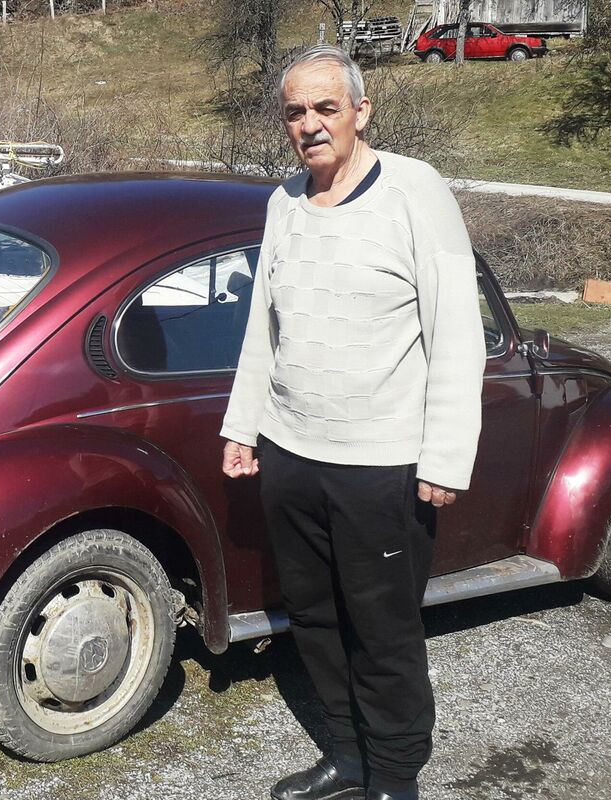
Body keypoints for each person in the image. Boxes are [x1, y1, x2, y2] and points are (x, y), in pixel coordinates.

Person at [220, 45, 485, 800]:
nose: (310, 124)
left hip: (382, 463)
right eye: (295, 112)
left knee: (383, 628)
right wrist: (244, 424)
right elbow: (264, 326)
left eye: (325, 108)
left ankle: (395, 776)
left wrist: (445, 455)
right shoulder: (282, 203)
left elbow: (456, 329)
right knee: (313, 619)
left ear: (360, 112)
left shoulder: (414, 190)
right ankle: (349, 756)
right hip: (292, 452)